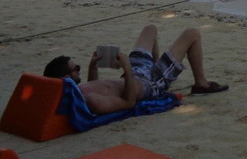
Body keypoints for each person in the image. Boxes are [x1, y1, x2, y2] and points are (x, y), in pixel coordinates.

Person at [43, 25, 228, 114]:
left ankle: (162, 71)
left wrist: (93, 65)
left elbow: (95, 83)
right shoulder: (92, 101)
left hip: (136, 73)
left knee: (150, 29)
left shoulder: (79, 91)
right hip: (148, 83)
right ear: (66, 77)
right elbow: (129, 103)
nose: (78, 70)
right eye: (76, 68)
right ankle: (200, 84)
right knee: (192, 34)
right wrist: (127, 68)